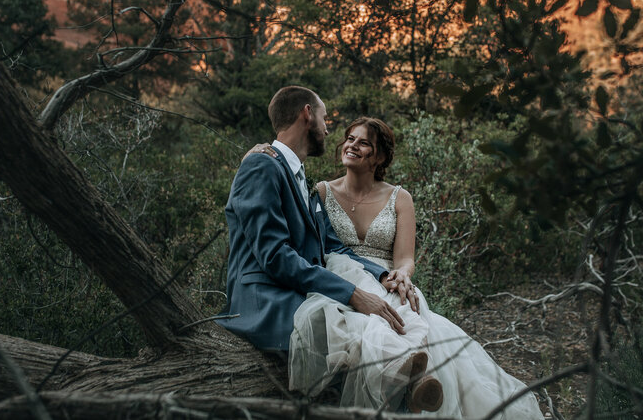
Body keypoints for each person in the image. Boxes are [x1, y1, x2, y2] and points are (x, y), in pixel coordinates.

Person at [247, 116, 544, 418]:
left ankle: (414, 379)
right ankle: (410, 378)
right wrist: (259, 151)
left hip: (387, 277)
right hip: (339, 275)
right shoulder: (321, 192)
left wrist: (402, 274)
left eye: (363, 142)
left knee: (404, 308)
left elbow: (405, 258)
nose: (352, 145)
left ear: (379, 156)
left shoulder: (400, 198)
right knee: (360, 319)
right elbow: (304, 225)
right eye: (350, 139)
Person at [216, 87, 406, 352]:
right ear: (307, 114)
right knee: (358, 332)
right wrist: (352, 294)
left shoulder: (301, 179)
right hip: (265, 302)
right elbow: (274, 255)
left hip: (296, 292)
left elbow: (331, 246)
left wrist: (383, 275)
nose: (327, 130)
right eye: (324, 118)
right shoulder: (261, 165)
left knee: (391, 318)